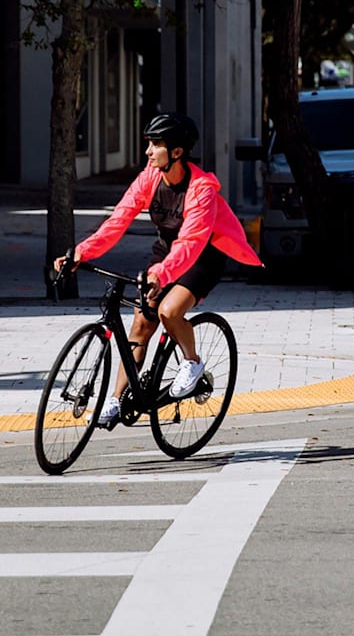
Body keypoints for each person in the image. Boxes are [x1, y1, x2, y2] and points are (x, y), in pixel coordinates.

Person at [52, 112, 263, 425]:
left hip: (205, 254)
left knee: (169, 310)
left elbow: (192, 240)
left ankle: (192, 363)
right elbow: (117, 221)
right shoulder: (149, 179)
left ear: (176, 152)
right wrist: (81, 253)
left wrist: (162, 275)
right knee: (140, 324)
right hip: (165, 253)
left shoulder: (202, 189)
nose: (148, 151)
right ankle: (115, 400)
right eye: (148, 144)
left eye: (155, 145)